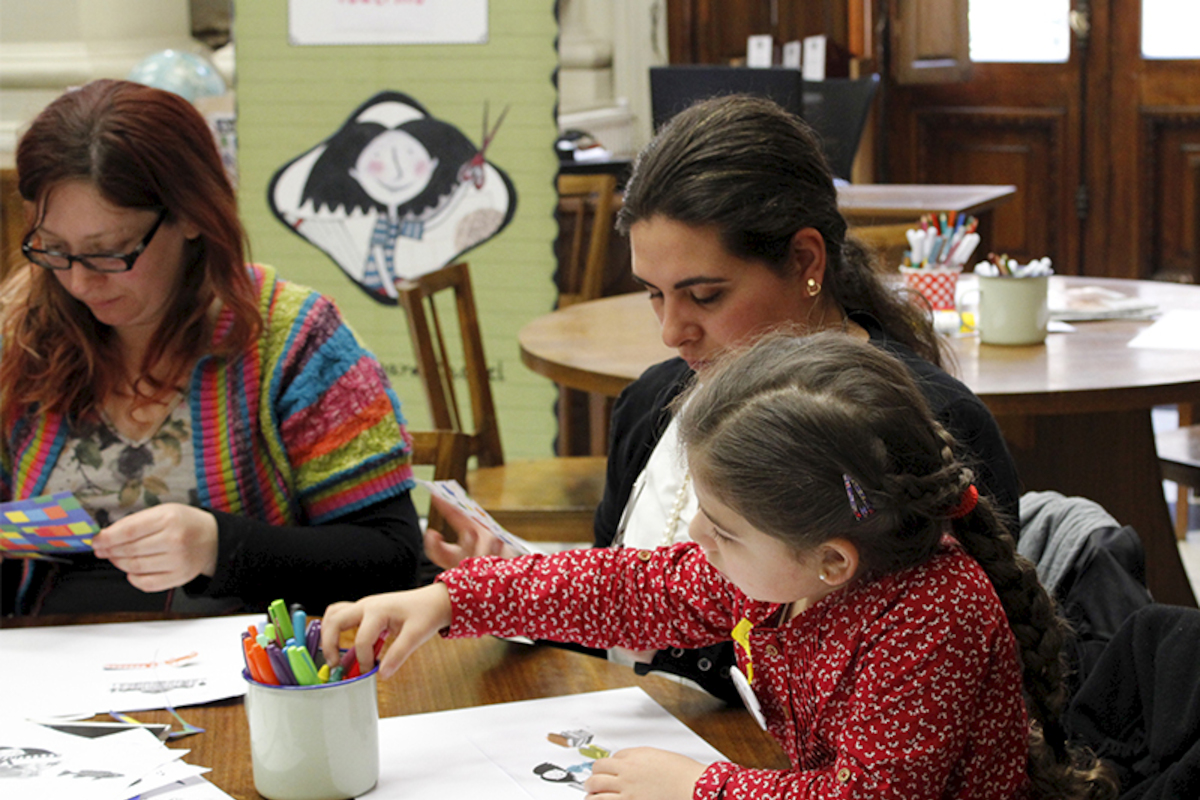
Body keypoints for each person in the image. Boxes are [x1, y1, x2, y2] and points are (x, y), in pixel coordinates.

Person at [323, 334, 1115, 800]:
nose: (696, 534)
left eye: (725, 528)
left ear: (831, 561)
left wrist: (697, 787)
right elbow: (626, 588)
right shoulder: (785, 568)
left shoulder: (929, 621)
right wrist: (450, 599)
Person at [424, 94, 1021, 700]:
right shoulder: (654, 401)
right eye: (654, 294)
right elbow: (625, 618)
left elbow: (922, 693)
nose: (671, 330)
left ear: (805, 261)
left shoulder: (918, 427)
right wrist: (515, 587)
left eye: (704, 295)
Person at [0, 79, 423, 616]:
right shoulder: (20, 335)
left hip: (242, 670)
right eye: (54, 250)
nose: (80, 284)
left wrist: (218, 545)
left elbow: (391, 558)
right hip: (43, 673)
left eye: (109, 253)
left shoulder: (293, 340)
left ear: (194, 214)